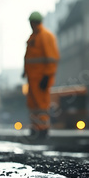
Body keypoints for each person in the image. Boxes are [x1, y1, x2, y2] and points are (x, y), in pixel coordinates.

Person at [23, 11, 60, 141]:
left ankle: (43, 129)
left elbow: (52, 58)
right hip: (32, 78)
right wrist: (25, 71)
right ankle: (35, 128)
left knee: (41, 105)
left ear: (35, 22)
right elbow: (29, 58)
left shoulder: (45, 36)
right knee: (33, 105)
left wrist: (47, 76)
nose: (30, 25)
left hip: (41, 78)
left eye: (31, 22)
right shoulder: (33, 37)